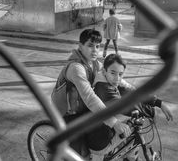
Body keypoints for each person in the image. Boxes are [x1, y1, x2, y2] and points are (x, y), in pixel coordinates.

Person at [51, 29, 132, 160]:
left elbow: (117, 79)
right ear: (80, 46)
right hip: (67, 114)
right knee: (77, 154)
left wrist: (146, 97)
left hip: (82, 107)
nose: (95, 50)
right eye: (90, 45)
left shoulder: (94, 64)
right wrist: (114, 123)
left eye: (98, 46)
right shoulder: (76, 68)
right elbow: (90, 97)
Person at [89, 54, 173, 161]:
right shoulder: (103, 88)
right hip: (100, 141)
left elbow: (133, 91)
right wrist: (151, 112)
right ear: (105, 71)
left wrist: (158, 102)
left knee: (132, 126)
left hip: (104, 129)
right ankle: (130, 157)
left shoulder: (108, 79)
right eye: (113, 73)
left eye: (120, 74)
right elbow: (127, 106)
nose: (117, 78)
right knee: (134, 128)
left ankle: (130, 156)